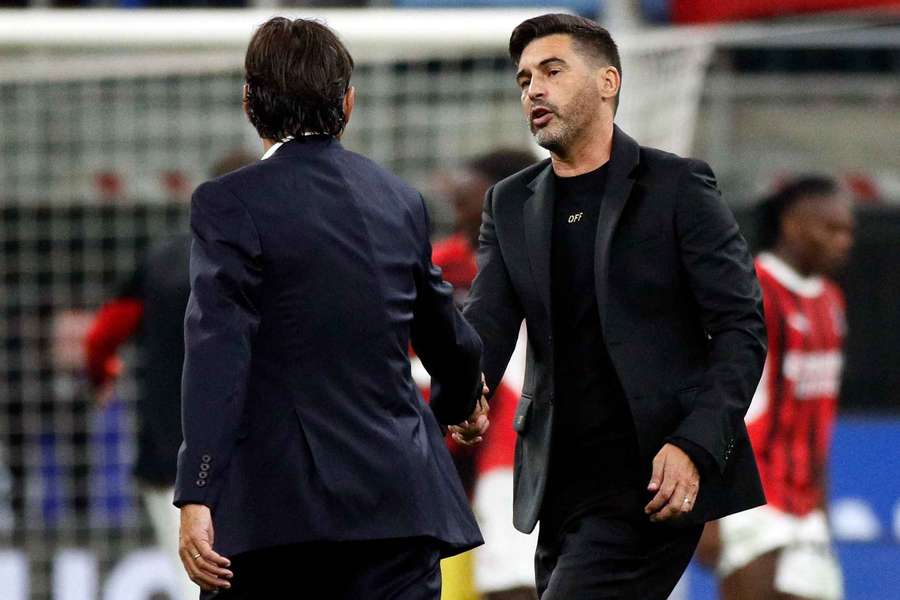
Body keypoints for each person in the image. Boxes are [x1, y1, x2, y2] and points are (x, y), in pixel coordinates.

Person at [174, 17, 487, 599]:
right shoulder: (398, 200)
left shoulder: (229, 203)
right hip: (399, 510)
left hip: (277, 520)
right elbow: (448, 333)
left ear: (249, 103)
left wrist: (197, 490)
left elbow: (218, 352)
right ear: (347, 101)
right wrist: (461, 399)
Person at [461, 13, 768, 599]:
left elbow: (740, 329)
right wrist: (467, 389)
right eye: (524, 80)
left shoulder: (678, 187)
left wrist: (695, 445)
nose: (535, 90)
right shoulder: (510, 202)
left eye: (552, 70)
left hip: (652, 482)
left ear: (608, 82)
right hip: (557, 484)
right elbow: (489, 323)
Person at [83, 150, 255, 600]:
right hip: (250, 454)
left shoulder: (162, 259)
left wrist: (102, 376)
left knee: (191, 580)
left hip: (170, 454)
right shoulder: (272, 260)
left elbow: (102, 337)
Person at [697, 176, 854, 600]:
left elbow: (820, 417)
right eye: (831, 229)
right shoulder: (749, 291)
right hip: (752, 497)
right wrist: (708, 513)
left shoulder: (831, 302)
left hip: (805, 504)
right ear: (793, 225)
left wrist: (821, 503)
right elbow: (715, 397)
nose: (844, 241)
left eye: (848, 232)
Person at [430, 149, 540, 600]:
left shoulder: (537, 261)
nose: (458, 191)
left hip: (518, 436)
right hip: (444, 435)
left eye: (469, 185)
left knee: (515, 572)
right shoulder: (437, 264)